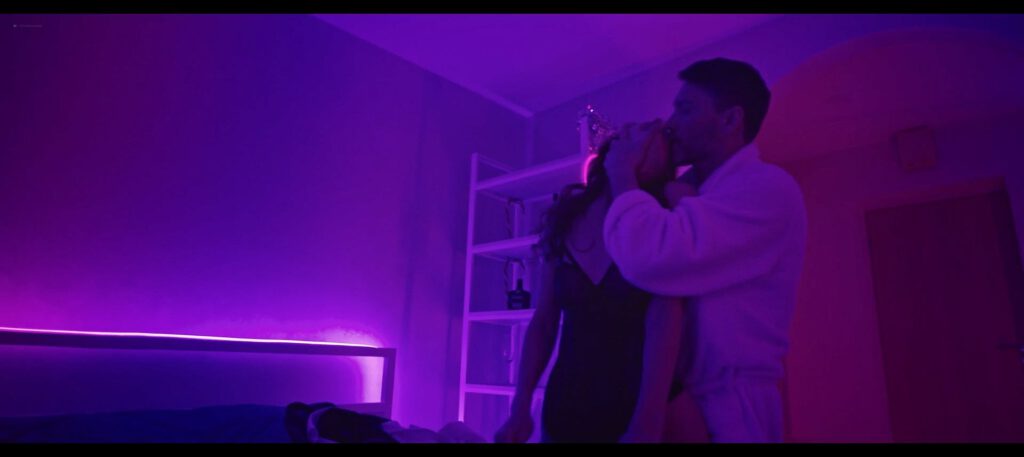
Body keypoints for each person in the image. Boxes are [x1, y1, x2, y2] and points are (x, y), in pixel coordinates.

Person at [604, 58, 807, 443]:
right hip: (676, 399)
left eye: (685, 109)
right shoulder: (689, 193)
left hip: (728, 408)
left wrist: (620, 173)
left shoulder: (767, 188)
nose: (670, 123)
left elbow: (649, 256)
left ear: (730, 120)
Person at [493, 131, 690, 443]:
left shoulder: (661, 220)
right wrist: (520, 406)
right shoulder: (566, 219)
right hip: (565, 407)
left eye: (654, 138)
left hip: (639, 409)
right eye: (633, 131)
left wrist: (649, 416)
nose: (641, 135)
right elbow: (544, 321)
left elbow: (666, 322)